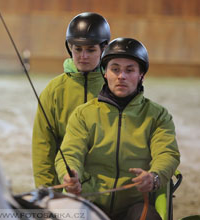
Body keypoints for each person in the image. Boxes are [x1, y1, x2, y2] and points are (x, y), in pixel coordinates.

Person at [55, 38, 180, 220]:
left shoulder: (158, 116)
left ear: (141, 75)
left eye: (130, 70)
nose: (121, 76)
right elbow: (70, 152)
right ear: (105, 73)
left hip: (136, 203)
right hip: (92, 202)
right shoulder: (83, 114)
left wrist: (154, 177)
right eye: (115, 69)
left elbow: (167, 153)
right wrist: (70, 174)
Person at [32, 12, 111, 189]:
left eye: (90, 50)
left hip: (106, 188)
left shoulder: (115, 87)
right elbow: (43, 145)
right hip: (66, 184)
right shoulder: (54, 91)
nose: (83, 56)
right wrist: (46, 190)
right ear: (70, 48)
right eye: (77, 49)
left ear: (104, 49)